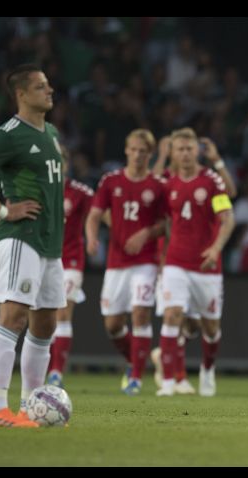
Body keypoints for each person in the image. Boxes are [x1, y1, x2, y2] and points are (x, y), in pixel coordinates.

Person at [0, 64, 64, 428]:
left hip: (50, 242)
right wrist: (5, 210)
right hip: (22, 238)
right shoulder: (9, 134)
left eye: (48, 85)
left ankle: (29, 409)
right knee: (14, 317)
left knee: (45, 325)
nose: (49, 90)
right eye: (41, 86)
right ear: (21, 94)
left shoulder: (51, 132)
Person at [0, 152, 93, 389]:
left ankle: (56, 373)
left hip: (69, 260)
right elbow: (7, 216)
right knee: (29, 318)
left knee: (60, 315)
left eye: (62, 159)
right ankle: (5, 398)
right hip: (35, 253)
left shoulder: (80, 192)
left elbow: (102, 212)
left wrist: (96, 237)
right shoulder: (35, 188)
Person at [150, 134, 237, 394]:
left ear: (196, 151)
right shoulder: (168, 183)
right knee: (172, 315)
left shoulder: (210, 181)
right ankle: (168, 383)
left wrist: (215, 249)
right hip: (176, 262)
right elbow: (157, 206)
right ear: (173, 153)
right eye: (180, 149)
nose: (185, 153)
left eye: (189, 148)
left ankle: (207, 370)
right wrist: (162, 256)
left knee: (210, 327)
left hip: (206, 265)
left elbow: (228, 218)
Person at [85, 129, 167, 396]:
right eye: (133, 149)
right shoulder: (111, 181)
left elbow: (166, 223)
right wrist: (92, 238)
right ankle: (135, 359)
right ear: (126, 150)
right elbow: (95, 214)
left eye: (143, 151)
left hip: (146, 261)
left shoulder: (157, 186)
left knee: (140, 313)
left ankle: (135, 377)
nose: (137, 155)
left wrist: (146, 233)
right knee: (112, 324)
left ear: (149, 154)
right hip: (116, 262)